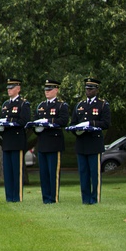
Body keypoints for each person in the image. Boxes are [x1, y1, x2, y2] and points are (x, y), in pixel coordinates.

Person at [72, 77, 111, 205]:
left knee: (94, 173)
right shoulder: (80, 105)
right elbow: (73, 123)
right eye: (87, 89)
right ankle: (85, 199)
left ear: (97, 90)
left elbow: (106, 123)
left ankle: (95, 198)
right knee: (83, 173)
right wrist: (76, 130)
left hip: (94, 143)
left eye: (91, 89)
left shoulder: (103, 105)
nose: (88, 91)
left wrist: (91, 123)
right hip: (82, 142)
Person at [35, 79, 69, 204]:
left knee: (53, 173)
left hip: (54, 143)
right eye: (46, 89)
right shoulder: (41, 106)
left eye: (50, 89)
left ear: (56, 90)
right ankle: (45, 198)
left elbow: (64, 121)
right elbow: (35, 121)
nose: (47, 92)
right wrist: (37, 128)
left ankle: (53, 198)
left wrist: (48, 122)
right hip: (42, 143)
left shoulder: (61, 105)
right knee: (43, 173)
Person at [0, 77, 31, 202]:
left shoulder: (23, 104)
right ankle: (9, 196)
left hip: (17, 141)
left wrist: (10, 123)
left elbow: (24, 121)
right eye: (8, 88)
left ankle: (17, 196)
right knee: (8, 172)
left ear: (18, 88)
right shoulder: (6, 105)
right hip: (7, 141)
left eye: (11, 88)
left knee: (17, 171)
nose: (9, 90)